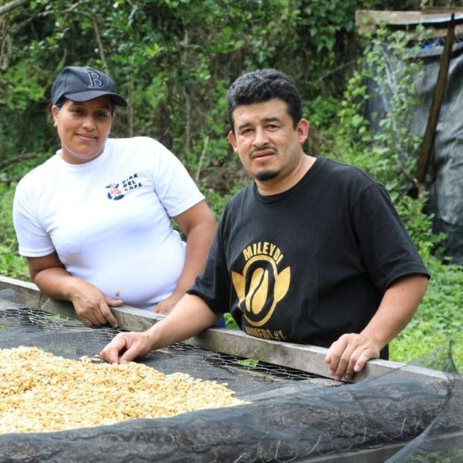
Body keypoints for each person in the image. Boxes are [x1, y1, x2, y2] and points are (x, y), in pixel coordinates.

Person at [100, 68, 430, 381]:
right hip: (265, 378)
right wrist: (149, 337)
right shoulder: (237, 209)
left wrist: (370, 338)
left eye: (272, 126)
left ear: (300, 130)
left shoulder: (350, 191)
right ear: (234, 141)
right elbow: (208, 299)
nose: (259, 140)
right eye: (247, 130)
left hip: (340, 379)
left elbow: (408, 277)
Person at [12, 65, 216, 328]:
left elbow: (201, 224)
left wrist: (184, 296)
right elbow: (42, 269)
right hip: (105, 328)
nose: (89, 124)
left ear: (111, 120)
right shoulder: (33, 189)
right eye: (78, 111)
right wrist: (73, 288)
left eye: (100, 114)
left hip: (184, 319)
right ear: (55, 113)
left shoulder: (145, 154)